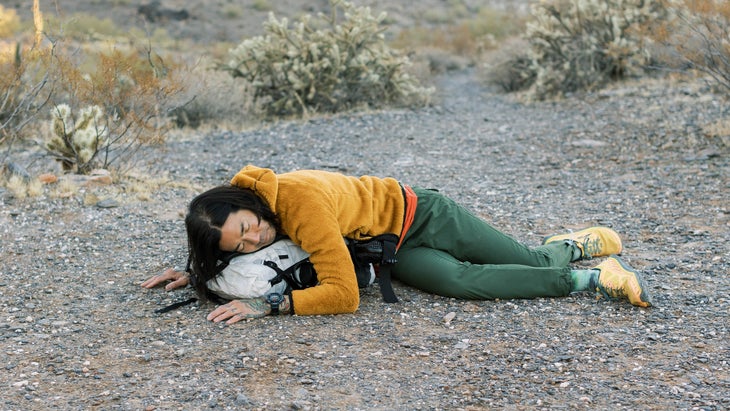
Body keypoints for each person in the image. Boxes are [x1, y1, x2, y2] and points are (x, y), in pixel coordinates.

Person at [142, 165, 653, 324]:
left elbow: (344, 296)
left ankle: (570, 246)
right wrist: (201, 272)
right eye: (238, 244)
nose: (255, 238)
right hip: (389, 248)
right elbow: (263, 255)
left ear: (249, 203)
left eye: (250, 225)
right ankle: (593, 279)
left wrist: (266, 304)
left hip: (423, 214)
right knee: (455, 281)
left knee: (525, 260)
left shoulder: (299, 206)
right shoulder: (253, 218)